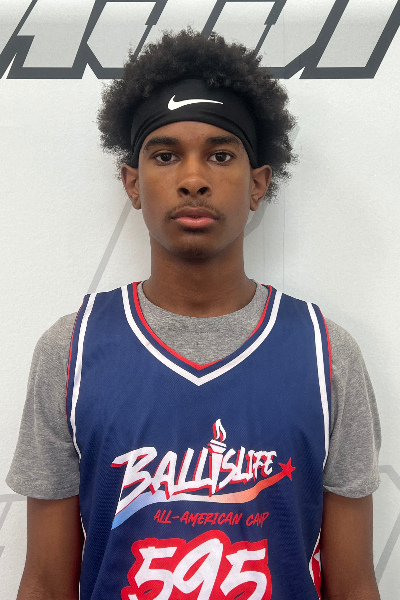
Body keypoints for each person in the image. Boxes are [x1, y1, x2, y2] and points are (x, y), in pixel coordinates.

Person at [7, 29, 381, 600]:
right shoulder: (71, 351)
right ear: (133, 183)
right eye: (165, 155)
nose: (193, 179)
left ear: (258, 184)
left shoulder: (326, 354)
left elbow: (353, 585)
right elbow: (45, 582)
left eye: (220, 155)